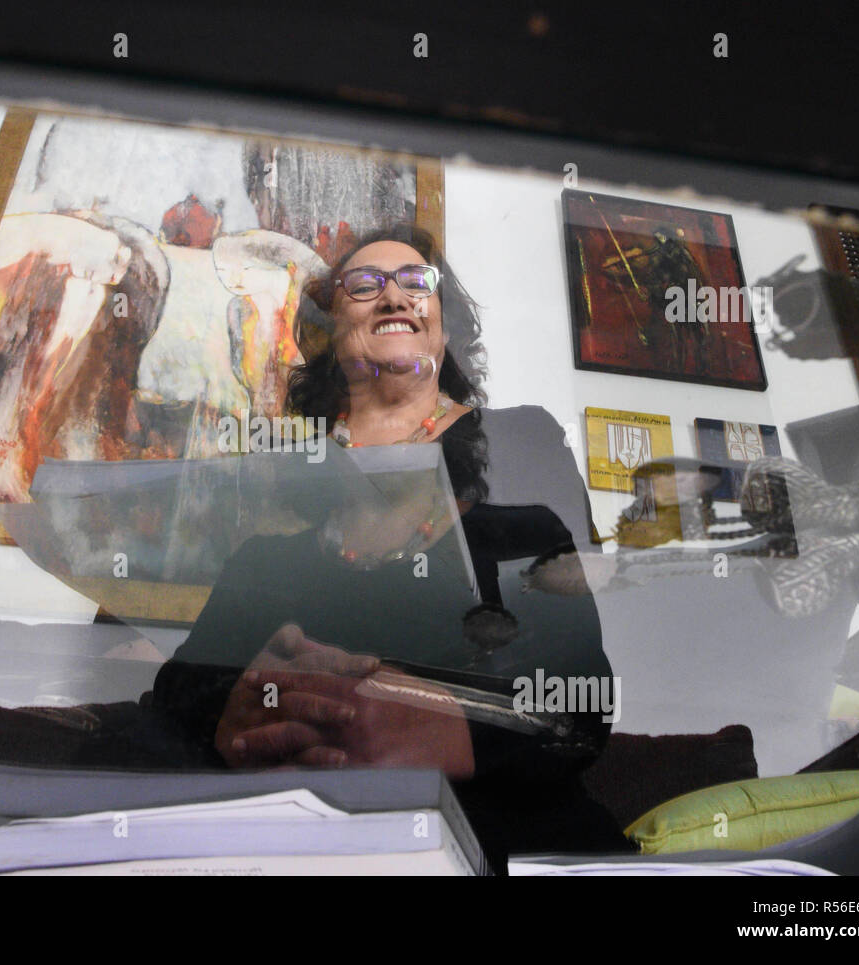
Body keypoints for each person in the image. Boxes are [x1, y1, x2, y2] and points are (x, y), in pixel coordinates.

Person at [147, 224, 632, 865]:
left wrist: (450, 728)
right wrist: (236, 708)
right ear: (329, 333)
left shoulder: (528, 530)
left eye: (416, 282)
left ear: (443, 333)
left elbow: (580, 705)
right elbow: (174, 696)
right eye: (365, 284)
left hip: (506, 850)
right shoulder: (264, 563)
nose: (396, 296)